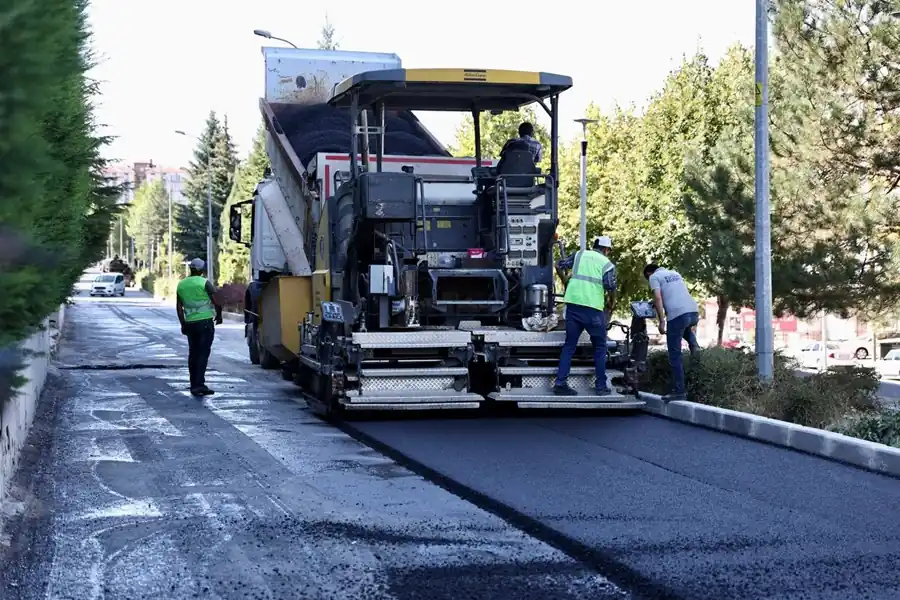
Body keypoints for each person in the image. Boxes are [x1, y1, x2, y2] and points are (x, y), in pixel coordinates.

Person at [553, 236, 617, 396]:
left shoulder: (579, 255)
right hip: (593, 309)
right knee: (600, 347)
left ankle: (560, 383)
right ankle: (601, 386)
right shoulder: (607, 264)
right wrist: (612, 303)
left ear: (594, 246)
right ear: (607, 250)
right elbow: (610, 286)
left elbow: (558, 264)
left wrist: (565, 281)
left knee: (569, 346)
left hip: (573, 305)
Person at [643, 263, 700, 402]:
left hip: (677, 315)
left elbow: (658, 298)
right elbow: (673, 293)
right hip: (693, 312)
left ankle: (679, 391)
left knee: (675, 354)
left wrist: (662, 321)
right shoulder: (674, 272)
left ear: (649, 273)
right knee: (687, 334)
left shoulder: (654, 277)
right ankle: (696, 354)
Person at [176, 258, 223, 397]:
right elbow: (217, 301)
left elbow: (179, 307)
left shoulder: (181, 284)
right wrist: (219, 315)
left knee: (193, 353)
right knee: (202, 353)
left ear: (191, 269)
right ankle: (199, 385)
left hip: (190, 323)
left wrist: (183, 323)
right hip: (205, 323)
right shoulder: (204, 283)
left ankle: (193, 384)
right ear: (202, 270)